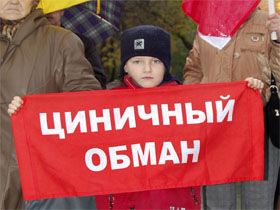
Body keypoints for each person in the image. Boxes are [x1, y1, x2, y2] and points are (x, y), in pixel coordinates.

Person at [94, 25, 263, 210]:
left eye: (155, 61)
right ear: (125, 65)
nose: (147, 69)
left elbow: (219, 122)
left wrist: (245, 92)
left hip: (176, 199)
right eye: (137, 62)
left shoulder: (186, 102)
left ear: (166, 65)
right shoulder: (106, 106)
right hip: (126, 201)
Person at [0, 0, 101, 209]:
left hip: (32, 182)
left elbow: (88, 105)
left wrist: (37, 109)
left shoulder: (62, 42)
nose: (13, 0)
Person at [182, 3, 280, 210]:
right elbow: (193, 70)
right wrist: (198, 101)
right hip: (216, 131)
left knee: (259, 205)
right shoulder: (206, 27)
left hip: (259, 128)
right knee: (217, 204)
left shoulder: (269, 23)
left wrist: (279, 41)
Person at [46, 10, 107, 89]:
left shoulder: (82, 42)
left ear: (62, 10)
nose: (48, 11)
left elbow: (99, 81)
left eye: (53, 4)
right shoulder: (27, 45)